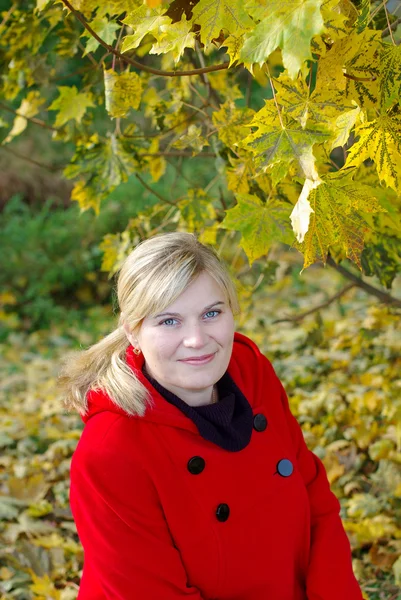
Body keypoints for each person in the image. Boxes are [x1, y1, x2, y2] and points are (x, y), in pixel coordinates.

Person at [60, 231, 363, 600]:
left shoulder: (250, 372)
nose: (197, 339)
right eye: (169, 321)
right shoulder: (110, 450)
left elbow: (317, 503)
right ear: (133, 331)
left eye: (211, 313)